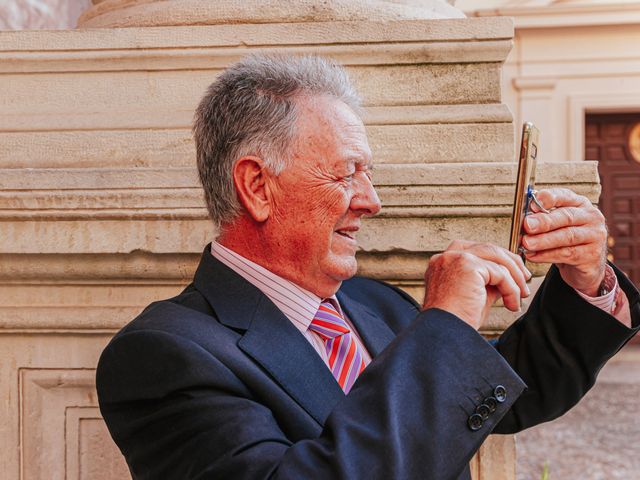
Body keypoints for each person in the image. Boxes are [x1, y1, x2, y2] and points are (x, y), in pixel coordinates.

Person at [97, 54, 639, 480]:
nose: (371, 200)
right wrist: (445, 326)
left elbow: (510, 392)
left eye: (369, 174)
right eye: (347, 173)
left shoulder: (372, 304)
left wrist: (587, 280)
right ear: (258, 186)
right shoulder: (162, 355)